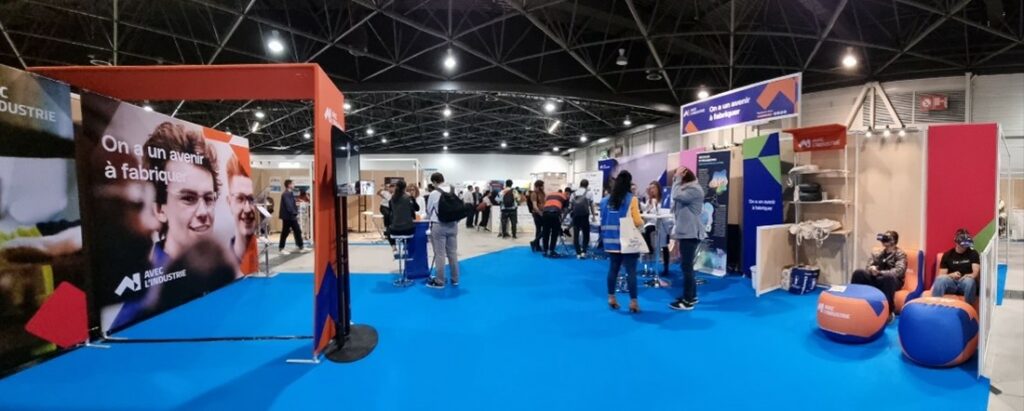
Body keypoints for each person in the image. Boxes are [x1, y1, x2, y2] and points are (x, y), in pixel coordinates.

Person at [144, 122, 221, 266]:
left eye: (208, 198)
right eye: (188, 198)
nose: (203, 212)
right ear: (160, 209)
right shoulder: (150, 275)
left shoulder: (220, 266)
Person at [601, 171, 644, 313]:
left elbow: (603, 219)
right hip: (627, 240)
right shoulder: (632, 199)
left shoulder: (605, 201)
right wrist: (642, 224)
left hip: (610, 240)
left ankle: (611, 298)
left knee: (613, 269)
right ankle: (633, 302)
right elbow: (637, 221)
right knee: (631, 272)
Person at [668, 167, 705, 311]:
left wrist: (677, 179)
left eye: (677, 176)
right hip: (686, 232)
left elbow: (676, 196)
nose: (675, 179)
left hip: (691, 233)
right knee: (687, 267)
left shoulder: (694, 189)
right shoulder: (688, 189)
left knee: (687, 267)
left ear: (684, 176)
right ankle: (692, 296)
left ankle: (688, 301)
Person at [851, 230, 908, 321]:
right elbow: (868, 267)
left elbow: (899, 271)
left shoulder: (900, 254)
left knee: (888, 277)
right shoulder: (878, 253)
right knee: (858, 273)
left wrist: (880, 273)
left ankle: (888, 312)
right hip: (878, 277)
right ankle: (854, 304)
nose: (883, 240)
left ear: (893, 241)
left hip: (893, 280)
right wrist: (871, 269)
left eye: (887, 238)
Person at [425, 172, 459, 288]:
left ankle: (439, 281)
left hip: (439, 225)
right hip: (453, 225)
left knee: (440, 254)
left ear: (434, 182)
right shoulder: (453, 190)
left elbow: (429, 210)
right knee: (452, 253)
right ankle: (455, 279)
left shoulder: (434, 193)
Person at [931, 228, 981, 304]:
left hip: (965, 283)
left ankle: (968, 308)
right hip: (951, 283)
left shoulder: (973, 253)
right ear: (956, 243)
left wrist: (968, 276)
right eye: (962, 245)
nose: (965, 247)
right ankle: (935, 305)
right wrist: (951, 275)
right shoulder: (947, 255)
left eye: (966, 244)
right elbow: (941, 275)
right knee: (940, 279)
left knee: (970, 281)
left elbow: (975, 273)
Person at [225, 155, 256, 262]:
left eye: (251, 199)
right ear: (229, 203)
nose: (247, 209)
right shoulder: (223, 265)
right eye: (240, 198)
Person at [641, 181, 670, 276]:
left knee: (664, 246)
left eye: (653, 187)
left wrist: (655, 205)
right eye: (650, 188)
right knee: (646, 230)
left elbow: (662, 211)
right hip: (651, 223)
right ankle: (649, 250)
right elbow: (646, 211)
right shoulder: (649, 200)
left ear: (658, 188)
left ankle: (666, 267)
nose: (652, 190)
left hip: (663, 223)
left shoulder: (664, 199)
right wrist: (649, 204)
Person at [569, 179, 595, 259]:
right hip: (585, 216)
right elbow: (592, 205)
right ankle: (584, 251)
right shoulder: (589, 193)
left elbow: (570, 207)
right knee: (586, 234)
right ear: (587, 185)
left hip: (576, 216)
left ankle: (578, 252)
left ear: (580, 184)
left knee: (576, 234)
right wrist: (593, 216)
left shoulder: (573, 194)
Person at [278, 179, 305, 254]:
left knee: (297, 231)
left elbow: (291, 204)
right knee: (285, 232)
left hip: (291, 216)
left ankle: (300, 246)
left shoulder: (290, 193)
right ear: (289, 185)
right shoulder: (286, 194)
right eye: (293, 184)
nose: (294, 185)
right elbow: (288, 205)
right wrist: (294, 212)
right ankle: (281, 248)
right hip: (288, 216)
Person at [540, 186, 567, 257]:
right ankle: (551, 250)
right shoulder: (564, 197)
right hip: (555, 214)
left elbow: (545, 203)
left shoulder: (549, 195)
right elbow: (564, 209)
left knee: (546, 232)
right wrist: (562, 218)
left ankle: (545, 250)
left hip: (545, 213)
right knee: (554, 233)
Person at [528, 180, 545, 252]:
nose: (544, 187)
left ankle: (535, 244)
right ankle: (536, 245)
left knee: (543, 229)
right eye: (543, 186)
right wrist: (540, 214)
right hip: (537, 214)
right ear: (539, 186)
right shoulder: (534, 194)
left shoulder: (542, 193)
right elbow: (535, 206)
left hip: (542, 213)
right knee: (540, 229)